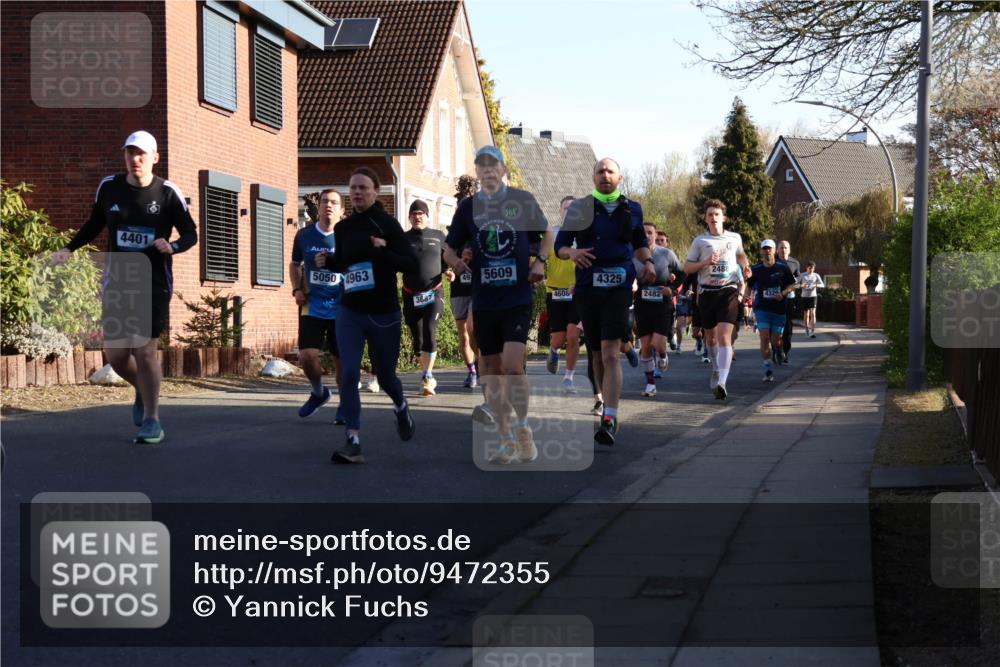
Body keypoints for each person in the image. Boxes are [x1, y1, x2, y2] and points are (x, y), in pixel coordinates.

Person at [50, 131, 197, 444]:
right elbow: (94, 224)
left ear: (155, 158)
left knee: (144, 351)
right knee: (116, 355)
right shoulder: (109, 187)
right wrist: (69, 249)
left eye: (142, 153)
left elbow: (190, 234)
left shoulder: (168, 192)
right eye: (130, 153)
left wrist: (173, 246)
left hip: (154, 281)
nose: (136, 159)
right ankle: (141, 391)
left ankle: (153, 420)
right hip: (119, 279)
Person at [444, 146, 551, 464]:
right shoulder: (468, 208)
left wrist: (541, 261)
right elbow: (448, 248)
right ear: (477, 172)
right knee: (490, 371)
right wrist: (455, 262)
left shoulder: (521, 200)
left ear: (503, 170)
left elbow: (547, 234)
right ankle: (506, 439)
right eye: (482, 166)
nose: (488, 171)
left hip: (517, 297)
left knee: (511, 366)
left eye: (494, 166)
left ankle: (522, 426)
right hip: (485, 299)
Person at [556, 158, 654, 445]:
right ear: (593, 177)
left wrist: (647, 263)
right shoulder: (580, 208)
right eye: (600, 171)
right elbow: (561, 244)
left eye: (610, 171)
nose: (605, 176)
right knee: (597, 354)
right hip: (588, 287)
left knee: (611, 353)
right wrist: (571, 254)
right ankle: (601, 400)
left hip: (619, 286)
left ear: (620, 177)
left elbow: (639, 243)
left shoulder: (632, 208)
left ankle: (610, 417)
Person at [329, 167, 418, 463]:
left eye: (363, 188)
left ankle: (401, 406)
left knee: (385, 375)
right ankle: (353, 439)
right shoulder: (343, 228)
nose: (356, 192)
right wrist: (328, 262)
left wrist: (383, 251)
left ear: (375, 192)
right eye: (353, 187)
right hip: (350, 310)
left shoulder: (387, 225)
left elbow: (411, 264)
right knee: (350, 372)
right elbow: (344, 264)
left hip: (383, 312)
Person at [683, 199, 752, 400]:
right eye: (710, 214)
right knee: (710, 338)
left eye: (717, 214)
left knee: (724, 337)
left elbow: (741, 256)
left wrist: (746, 267)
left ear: (723, 217)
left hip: (728, 291)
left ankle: (722, 381)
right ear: (705, 218)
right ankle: (715, 367)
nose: (713, 217)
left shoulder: (734, 238)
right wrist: (705, 262)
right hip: (706, 293)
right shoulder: (700, 241)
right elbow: (687, 268)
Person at [291, 188, 345, 423]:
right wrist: (296, 289)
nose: (328, 205)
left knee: (340, 360)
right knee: (306, 355)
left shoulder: (347, 237)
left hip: (342, 306)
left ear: (342, 210)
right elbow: (295, 264)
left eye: (334, 202)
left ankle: (345, 404)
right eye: (325, 201)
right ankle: (319, 392)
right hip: (312, 304)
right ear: (319, 207)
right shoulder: (304, 236)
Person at [401, 200, 450, 396]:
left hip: (434, 291)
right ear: (409, 217)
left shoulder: (438, 236)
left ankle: (428, 376)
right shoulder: (403, 238)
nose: (417, 216)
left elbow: (447, 258)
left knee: (430, 330)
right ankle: (425, 373)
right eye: (413, 213)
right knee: (418, 338)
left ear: (427, 216)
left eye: (421, 213)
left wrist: (450, 271)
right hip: (410, 293)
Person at [634, 222, 683, 397]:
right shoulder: (634, 255)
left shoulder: (666, 254)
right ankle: (650, 384)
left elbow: (683, 272)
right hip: (642, 301)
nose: (646, 236)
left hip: (662, 301)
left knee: (658, 344)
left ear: (655, 235)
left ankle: (663, 355)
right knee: (646, 345)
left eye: (650, 233)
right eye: (643, 233)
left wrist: (673, 288)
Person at [545, 196, 584, 393]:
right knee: (559, 339)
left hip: (577, 291)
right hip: (555, 292)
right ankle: (553, 350)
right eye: (565, 208)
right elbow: (540, 257)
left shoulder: (585, 234)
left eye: (572, 208)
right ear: (560, 212)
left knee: (573, 335)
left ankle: (568, 377)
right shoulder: (551, 233)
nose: (569, 211)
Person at [746, 239, 796, 382]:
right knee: (764, 338)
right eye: (764, 249)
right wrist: (745, 296)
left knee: (776, 340)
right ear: (762, 251)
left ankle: (779, 350)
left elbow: (792, 285)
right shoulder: (756, 269)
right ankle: (768, 370)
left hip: (779, 309)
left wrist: (783, 293)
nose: (767, 251)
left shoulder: (783, 268)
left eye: (769, 248)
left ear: (774, 250)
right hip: (762, 309)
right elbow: (749, 285)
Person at [448, 243, 479, 388]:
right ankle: (472, 370)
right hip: (459, 292)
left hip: (478, 290)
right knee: (464, 336)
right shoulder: (454, 239)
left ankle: (480, 361)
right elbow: (446, 262)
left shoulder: (480, 233)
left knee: (472, 327)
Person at [775, 240, 801, 364]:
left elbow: (798, 276)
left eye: (786, 248)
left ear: (789, 250)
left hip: (789, 298)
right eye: (781, 248)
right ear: (777, 250)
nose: (783, 250)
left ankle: (785, 351)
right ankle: (776, 351)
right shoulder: (773, 262)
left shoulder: (794, 262)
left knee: (787, 326)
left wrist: (796, 281)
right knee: (774, 326)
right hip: (775, 298)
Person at [798, 261, 824, 337]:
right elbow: (795, 284)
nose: (811, 270)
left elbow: (822, 285)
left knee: (813, 313)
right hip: (805, 296)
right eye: (810, 268)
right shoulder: (802, 275)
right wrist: (801, 285)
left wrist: (816, 285)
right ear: (807, 268)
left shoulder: (816, 275)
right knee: (807, 313)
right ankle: (806, 329)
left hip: (813, 296)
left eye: (812, 268)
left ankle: (813, 331)